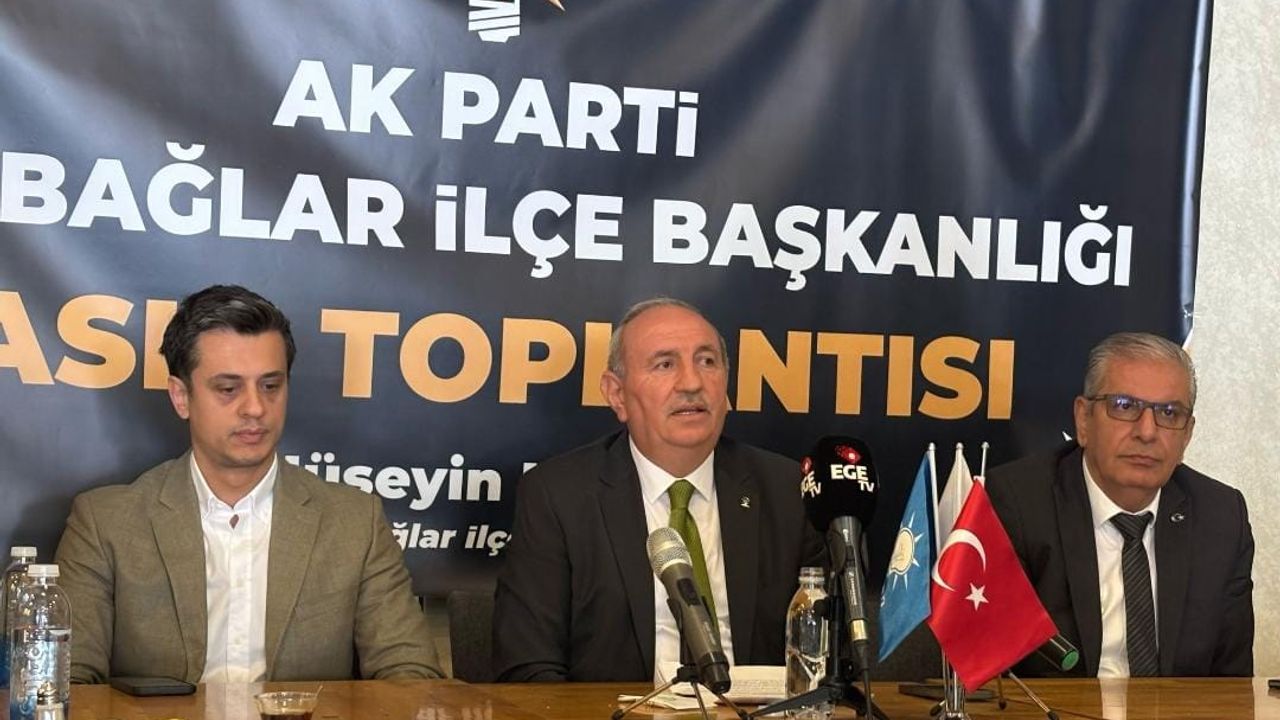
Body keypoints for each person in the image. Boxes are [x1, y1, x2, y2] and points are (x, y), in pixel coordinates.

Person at [55, 285, 442, 684]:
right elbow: (66, 685)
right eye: (228, 389)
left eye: (270, 386)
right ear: (181, 396)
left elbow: (411, 676)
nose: (255, 408)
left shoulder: (355, 522)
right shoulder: (105, 523)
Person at [492, 297, 825, 682]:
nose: (692, 383)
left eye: (707, 361)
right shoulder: (558, 496)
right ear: (617, 394)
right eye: (665, 364)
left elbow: (828, 656)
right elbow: (527, 668)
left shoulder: (788, 491)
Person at [986, 332, 1253, 677]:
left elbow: (1232, 682)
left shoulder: (1221, 517)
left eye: (1169, 413)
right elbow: (988, 671)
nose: (1147, 432)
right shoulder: (1018, 502)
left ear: (1187, 435)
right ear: (1084, 420)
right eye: (1125, 406)